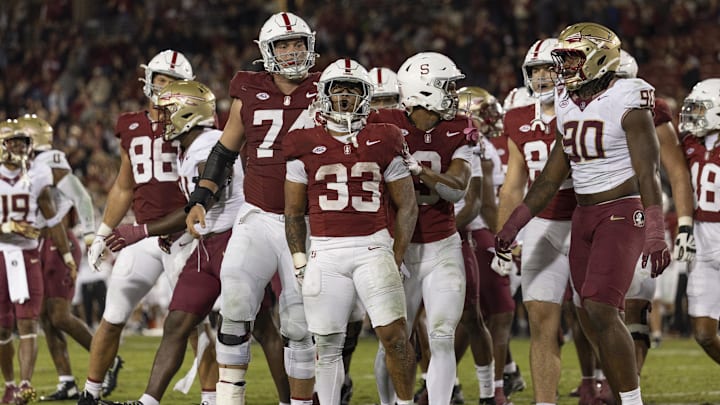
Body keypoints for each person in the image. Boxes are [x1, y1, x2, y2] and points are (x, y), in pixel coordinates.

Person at [496, 22, 670, 405]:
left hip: (622, 213)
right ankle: (615, 393)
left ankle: (631, 400)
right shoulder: (566, 102)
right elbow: (548, 180)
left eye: (572, 57)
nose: (564, 66)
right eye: (564, 58)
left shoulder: (628, 95)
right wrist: (512, 226)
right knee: (589, 315)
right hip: (584, 217)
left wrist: (655, 228)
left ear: (599, 57)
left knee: (599, 306)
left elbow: (648, 170)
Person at [184, 12, 319, 405]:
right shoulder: (249, 87)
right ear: (267, 51)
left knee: (298, 323)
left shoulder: (326, 88)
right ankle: (229, 398)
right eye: (283, 44)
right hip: (257, 215)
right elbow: (225, 149)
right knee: (236, 302)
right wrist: (199, 199)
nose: (293, 52)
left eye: (298, 43)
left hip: (307, 221)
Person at [283, 57, 418, 405]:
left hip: (373, 246)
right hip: (325, 250)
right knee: (326, 344)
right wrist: (300, 259)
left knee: (395, 335)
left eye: (352, 89)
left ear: (365, 95)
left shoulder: (386, 136)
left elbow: (407, 204)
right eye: (337, 89)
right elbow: (294, 212)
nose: (344, 96)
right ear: (324, 95)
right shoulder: (301, 141)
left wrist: (396, 253)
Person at [103, 79, 239, 405]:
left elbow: (201, 203)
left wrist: (141, 230)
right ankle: (148, 401)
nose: (162, 121)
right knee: (177, 322)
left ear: (187, 113)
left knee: (261, 328)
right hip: (208, 245)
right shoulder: (191, 147)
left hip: (232, 244)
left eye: (168, 113)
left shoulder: (207, 145)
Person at [78, 49, 196, 405]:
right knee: (112, 316)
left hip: (185, 234)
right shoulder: (130, 124)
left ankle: (212, 397)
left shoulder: (196, 123)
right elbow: (124, 185)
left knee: (196, 325)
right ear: (148, 80)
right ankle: (90, 394)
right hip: (142, 235)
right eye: (161, 80)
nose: (166, 88)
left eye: (174, 82)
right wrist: (102, 232)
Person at [369, 51, 472, 405]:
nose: (454, 93)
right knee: (395, 340)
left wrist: (420, 171)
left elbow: (457, 186)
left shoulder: (459, 128)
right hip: (395, 246)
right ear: (424, 91)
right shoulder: (382, 124)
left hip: (442, 244)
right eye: (446, 86)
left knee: (441, 334)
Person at [496, 38, 576, 405]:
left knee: (599, 319)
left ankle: (618, 389)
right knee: (542, 322)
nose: (542, 77)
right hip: (543, 224)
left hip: (587, 220)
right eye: (536, 70)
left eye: (549, 68)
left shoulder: (584, 108)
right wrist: (505, 235)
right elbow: (513, 185)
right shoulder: (516, 118)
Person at [13, 114, 95, 402]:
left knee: (59, 315)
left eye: (19, 139)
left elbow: (81, 197)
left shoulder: (50, 160)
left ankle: (106, 363)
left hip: (57, 241)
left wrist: (90, 233)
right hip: (37, 243)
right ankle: (67, 381)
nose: (13, 146)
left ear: (32, 139)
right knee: (46, 318)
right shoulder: (26, 166)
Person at [0, 119, 77, 405]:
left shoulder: (37, 175)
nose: (18, 147)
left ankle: (23, 385)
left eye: (23, 142)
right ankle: (9, 383)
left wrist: (67, 255)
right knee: (3, 327)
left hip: (28, 256)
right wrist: (7, 229)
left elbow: (53, 218)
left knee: (28, 323)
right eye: (12, 142)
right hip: (0, 256)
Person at [678, 78, 720, 365]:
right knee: (704, 333)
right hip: (701, 241)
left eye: (700, 108)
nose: (694, 114)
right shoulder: (688, 141)